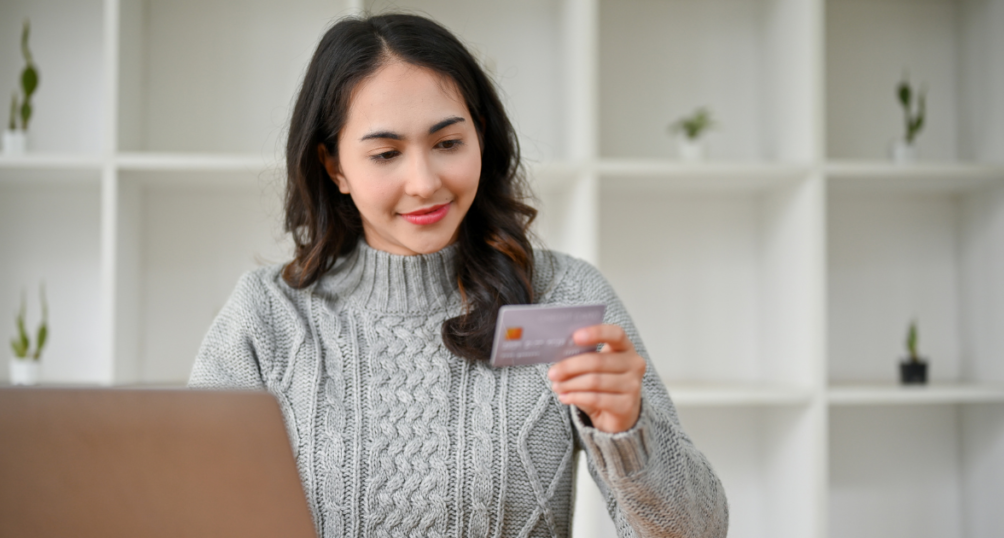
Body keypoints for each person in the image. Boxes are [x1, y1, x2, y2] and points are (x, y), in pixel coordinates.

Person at [189, 13, 727, 538]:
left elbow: (700, 532)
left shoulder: (565, 296)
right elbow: (189, 510)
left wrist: (629, 431)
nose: (424, 183)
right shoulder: (266, 316)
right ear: (335, 168)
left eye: (447, 143)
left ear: (481, 137)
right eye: (385, 153)